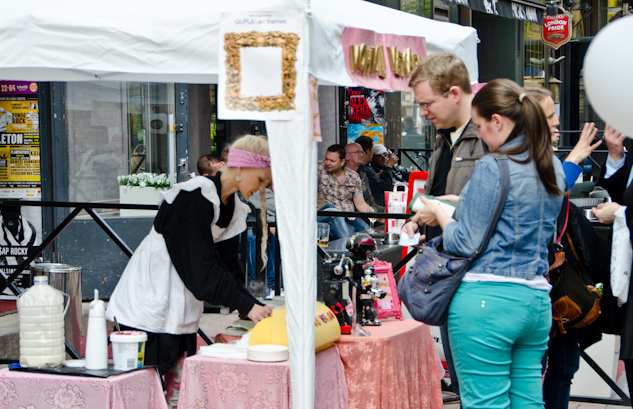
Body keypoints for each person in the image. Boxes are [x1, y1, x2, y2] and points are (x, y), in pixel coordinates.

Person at [403, 79, 565, 408]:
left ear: (497, 121)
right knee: (528, 402)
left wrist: (438, 211)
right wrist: (460, 204)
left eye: (479, 126)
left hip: (487, 300)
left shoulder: (494, 165)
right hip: (535, 300)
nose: (479, 136)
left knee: (485, 402)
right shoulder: (552, 164)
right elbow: (518, 217)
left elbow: (464, 242)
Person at [105, 134, 274, 407]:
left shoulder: (233, 207)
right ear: (243, 169)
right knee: (142, 385)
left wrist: (253, 306)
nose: (262, 188)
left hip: (183, 292)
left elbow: (228, 268)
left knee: (176, 379)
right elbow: (202, 265)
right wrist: (246, 306)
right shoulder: (195, 196)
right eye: (262, 179)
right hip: (154, 289)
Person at [408, 51, 487, 397]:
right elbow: (442, 192)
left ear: (454, 93)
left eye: (427, 104)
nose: (423, 113)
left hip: (477, 272)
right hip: (449, 267)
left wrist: (442, 209)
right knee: (466, 382)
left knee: (480, 385)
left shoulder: (487, 135)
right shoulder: (445, 139)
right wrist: (419, 217)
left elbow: (487, 205)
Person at [525, 86, 602, 409]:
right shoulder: (518, 162)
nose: (557, 122)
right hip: (534, 283)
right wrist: (573, 160)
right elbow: (548, 196)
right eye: (550, 116)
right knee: (538, 368)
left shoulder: (547, 159)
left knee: (564, 366)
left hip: (559, 278)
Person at [317, 144, 373, 240]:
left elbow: (361, 204)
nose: (328, 163)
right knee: (334, 213)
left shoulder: (353, 176)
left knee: (366, 232)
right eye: (326, 159)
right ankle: (348, 246)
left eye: (332, 161)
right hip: (328, 212)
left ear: (342, 161)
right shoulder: (318, 169)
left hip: (349, 217)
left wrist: (376, 214)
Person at [345, 142, 384, 212]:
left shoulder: (363, 175)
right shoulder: (341, 175)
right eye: (357, 152)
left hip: (366, 213)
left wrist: (386, 211)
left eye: (362, 152)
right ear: (347, 156)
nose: (361, 155)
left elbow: (371, 203)